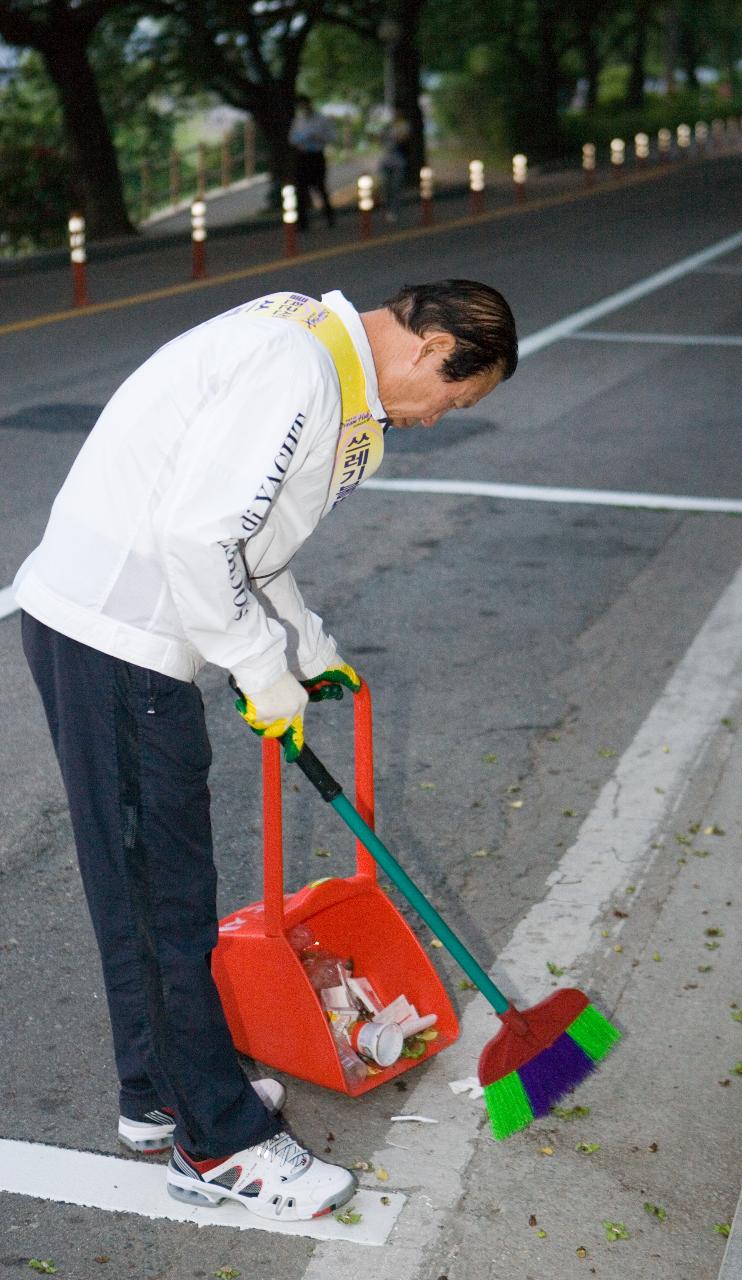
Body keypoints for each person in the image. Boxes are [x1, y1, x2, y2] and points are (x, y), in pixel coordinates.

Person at [15, 280, 518, 1223]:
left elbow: (255, 548)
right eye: (449, 401)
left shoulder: (313, 349)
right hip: (120, 638)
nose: (433, 421)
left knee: (141, 893)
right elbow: (200, 536)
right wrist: (258, 667)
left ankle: (159, 1093)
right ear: (428, 345)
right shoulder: (297, 371)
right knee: (165, 901)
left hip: (99, 625)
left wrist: (305, 646)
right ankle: (220, 1147)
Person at [288, 95, 336, 231]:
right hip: (303, 156)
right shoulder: (298, 121)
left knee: (320, 187)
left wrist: (319, 137)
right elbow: (292, 139)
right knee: (301, 189)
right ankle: (302, 222)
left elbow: (332, 136)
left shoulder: (321, 120)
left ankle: (329, 216)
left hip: (316, 155)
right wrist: (303, 138)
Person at [378, 110, 412, 223]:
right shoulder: (388, 127)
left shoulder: (404, 126)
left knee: (396, 187)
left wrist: (396, 137)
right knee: (386, 187)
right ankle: (388, 209)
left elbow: (404, 139)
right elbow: (381, 140)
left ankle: (395, 211)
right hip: (387, 162)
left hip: (398, 161)